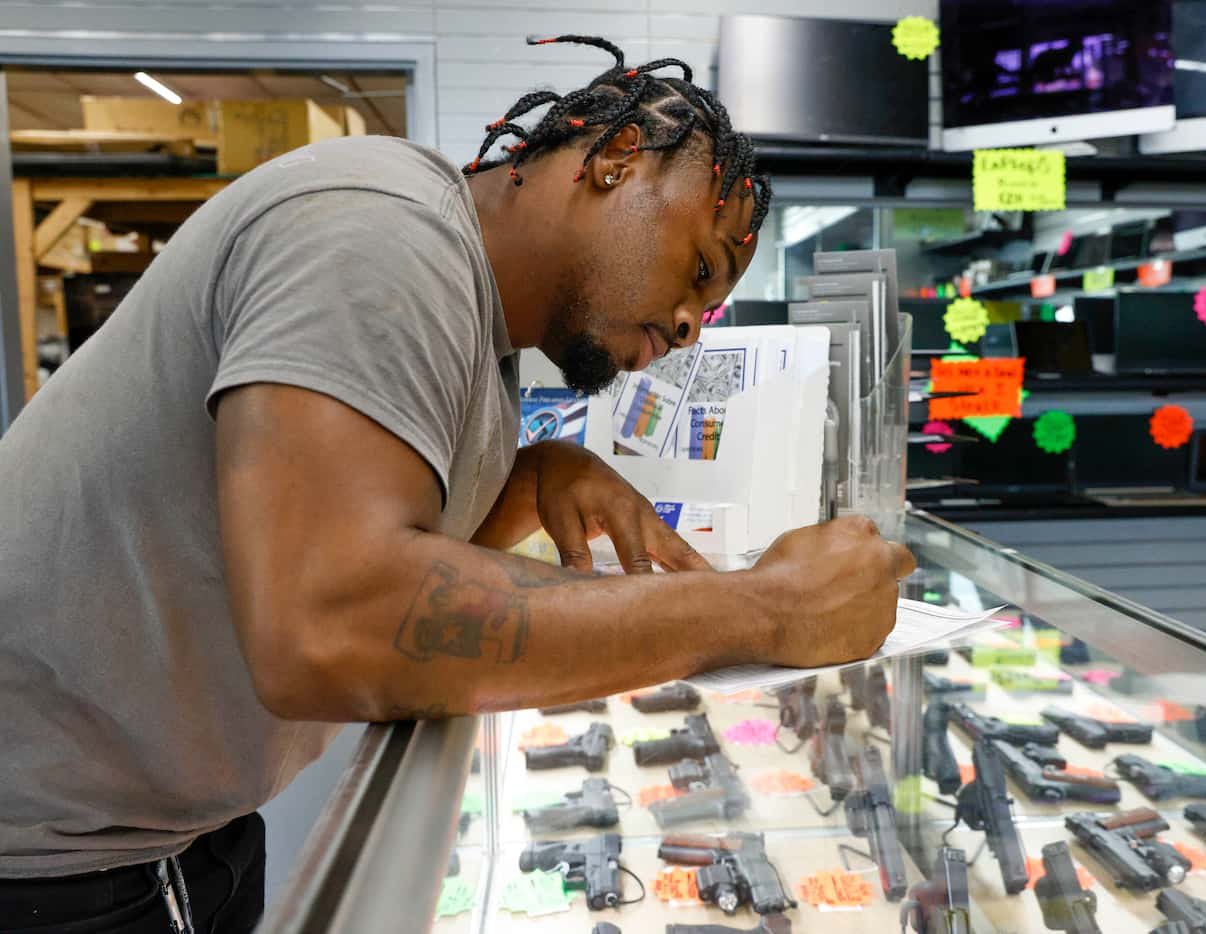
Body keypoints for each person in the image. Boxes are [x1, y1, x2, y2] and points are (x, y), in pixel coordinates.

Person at [0, 35, 915, 932]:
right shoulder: (377, 227)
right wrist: (766, 611)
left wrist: (525, 478)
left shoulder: (478, 332)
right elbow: (333, 625)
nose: (689, 328)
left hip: (175, 832)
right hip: (56, 864)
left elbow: (394, 575)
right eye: (700, 271)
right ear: (615, 158)